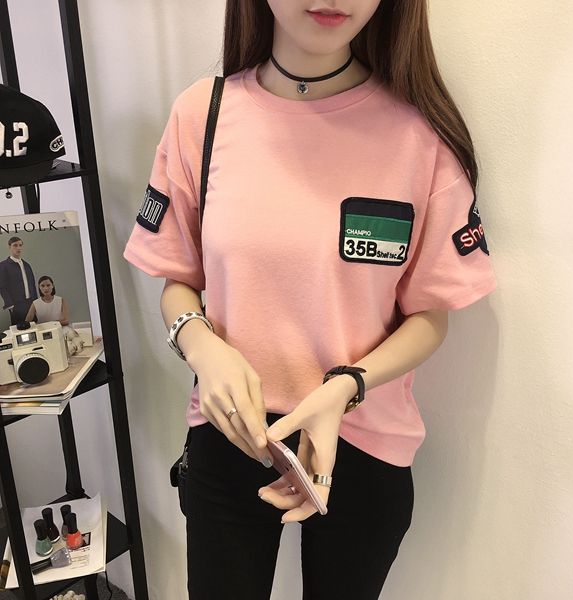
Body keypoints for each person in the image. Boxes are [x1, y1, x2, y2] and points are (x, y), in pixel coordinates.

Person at [124, 1, 497, 598]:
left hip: (362, 438)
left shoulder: (419, 136)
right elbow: (178, 278)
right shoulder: (203, 116)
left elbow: (430, 315)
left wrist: (345, 387)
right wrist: (204, 349)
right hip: (231, 431)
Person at [0, 236, 37, 325]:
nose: (18, 248)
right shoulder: (4, 266)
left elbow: (32, 285)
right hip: (16, 305)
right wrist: (9, 304)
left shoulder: (26, 265)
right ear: (9, 247)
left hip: (30, 303)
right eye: (15, 245)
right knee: (19, 329)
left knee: (34, 326)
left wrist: (36, 302)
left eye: (20, 245)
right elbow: (2, 286)